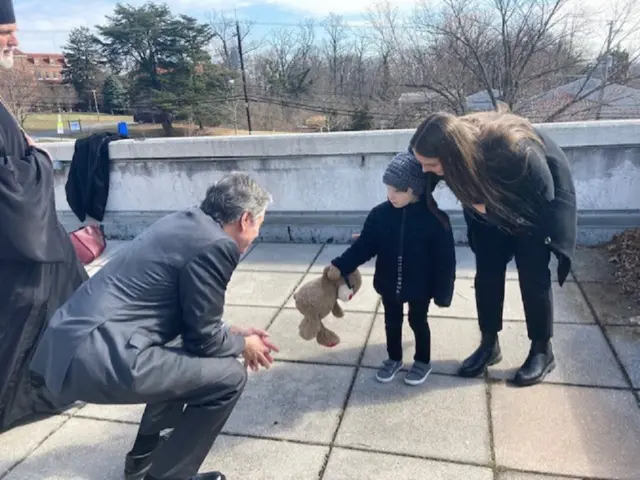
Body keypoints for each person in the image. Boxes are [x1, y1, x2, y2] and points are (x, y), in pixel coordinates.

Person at [30, 173, 280, 480]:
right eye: (259, 224)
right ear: (245, 220)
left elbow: (197, 323)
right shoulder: (218, 246)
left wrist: (231, 332)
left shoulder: (187, 221)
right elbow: (205, 341)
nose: (257, 234)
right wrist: (245, 345)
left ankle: (143, 461)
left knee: (182, 359)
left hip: (70, 346)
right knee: (229, 378)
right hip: (99, 356)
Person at [409, 109, 577, 387]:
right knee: (487, 271)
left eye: (432, 165)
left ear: (454, 158)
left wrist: (487, 209)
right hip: (484, 198)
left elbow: (541, 197)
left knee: (532, 274)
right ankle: (489, 344)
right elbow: (416, 172)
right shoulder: (438, 148)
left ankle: (542, 350)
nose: (425, 170)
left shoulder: (513, 151)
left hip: (531, 202)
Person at [0, 0, 88, 432]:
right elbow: (7, 182)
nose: (15, 41)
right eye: (5, 33)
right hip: (16, 250)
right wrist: (38, 159)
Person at [330, 152, 456, 385]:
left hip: (421, 287)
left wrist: (443, 292)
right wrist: (340, 265)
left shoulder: (436, 221)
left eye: (397, 190)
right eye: (388, 189)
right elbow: (365, 246)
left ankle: (422, 360)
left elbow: (445, 262)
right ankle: (394, 358)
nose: (391, 195)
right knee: (392, 322)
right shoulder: (380, 215)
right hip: (389, 284)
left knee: (418, 321)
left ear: (415, 190)